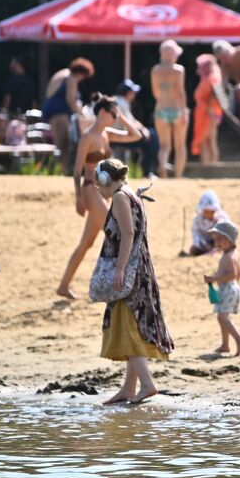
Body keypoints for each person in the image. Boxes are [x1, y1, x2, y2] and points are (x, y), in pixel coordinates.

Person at [94, 159, 174, 405]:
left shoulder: (119, 197)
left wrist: (119, 269)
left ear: (107, 179)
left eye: (99, 184)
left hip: (130, 270)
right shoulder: (131, 194)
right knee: (131, 323)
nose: (98, 189)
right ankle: (129, 388)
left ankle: (147, 384)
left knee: (128, 325)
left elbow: (128, 233)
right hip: (140, 267)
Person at [58, 94, 145, 300]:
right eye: (113, 113)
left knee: (86, 243)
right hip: (90, 189)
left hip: (104, 193)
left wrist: (122, 118)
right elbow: (77, 170)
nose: (115, 117)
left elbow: (136, 135)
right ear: (103, 112)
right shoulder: (88, 136)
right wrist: (79, 198)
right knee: (116, 231)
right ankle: (118, 281)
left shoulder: (106, 134)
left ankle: (63, 285)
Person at [203, 220, 240, 356]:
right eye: (215, 240)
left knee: (223, 318)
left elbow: (232, 274)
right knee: (222, 317)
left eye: (220, 239)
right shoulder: (234, 253)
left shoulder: (228, 257)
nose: (217, 243)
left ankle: (239, 339)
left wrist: (214, 279)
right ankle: (225, 345)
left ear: (230, 240)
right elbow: (239, 274)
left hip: (228, 288)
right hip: (231, 288)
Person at [42, 58, 94, 168]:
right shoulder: (71, 78)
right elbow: (71, 100)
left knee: (59, 144)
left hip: (52, 112)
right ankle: (62, 170)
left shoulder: (63, 73)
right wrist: (82, 115)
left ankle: (59, 169)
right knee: (63, 144)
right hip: (59, 114)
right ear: (80, 73)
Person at [151, 40, 189, 178]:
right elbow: (181, 93)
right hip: (177, 109)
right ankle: (178, 175)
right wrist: (184, 111)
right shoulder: (178, 70)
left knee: (164, 145)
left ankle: (162, 167)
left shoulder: (155, 70)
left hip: (161, 109)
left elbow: (155, 93)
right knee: (180, 145)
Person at [112, 80, 160, 178]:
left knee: (150, 134)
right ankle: (148, 172)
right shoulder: (121, 102)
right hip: (117, 137)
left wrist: (144, 129)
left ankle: (149, 170)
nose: (134, 95)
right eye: (133, 92)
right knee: (149, 141)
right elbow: (127, 124)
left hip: (118, 135)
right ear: (128, 93)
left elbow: (132, 120)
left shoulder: (120, 101)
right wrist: (143, 131)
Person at [191, 53, 224, 164]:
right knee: (210, 140)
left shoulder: (210, 78)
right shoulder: (212, 76)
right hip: (210, 112)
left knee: (205, 140)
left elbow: (212, 95)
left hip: (208, 113)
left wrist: (209, 110)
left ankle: (209, 166)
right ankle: (211, 165)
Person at [190, 190, 232, 256]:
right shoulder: (198, 219)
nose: (209, 215)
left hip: (218, 243)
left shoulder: (221, 217)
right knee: (193, 250)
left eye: (212, 212)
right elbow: (196, 233)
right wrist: (200, 244)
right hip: (205, 243)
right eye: (206, 212)